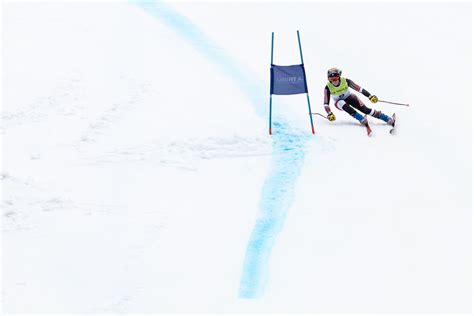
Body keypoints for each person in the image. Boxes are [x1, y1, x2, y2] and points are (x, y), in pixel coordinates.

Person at [323, 67, 394, 128]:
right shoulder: (327, 87)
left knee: (365, 110)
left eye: (336, 78)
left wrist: (370, 96)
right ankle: (361, 118)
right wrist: (329, 113)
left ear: (339, 76)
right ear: (328, 79)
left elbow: (359, 89)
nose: (334, 81)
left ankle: (386, 118)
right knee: (341, 102)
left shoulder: (346, 81)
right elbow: (326, 103)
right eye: (331, 79)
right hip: (339, 103)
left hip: (349, 98)